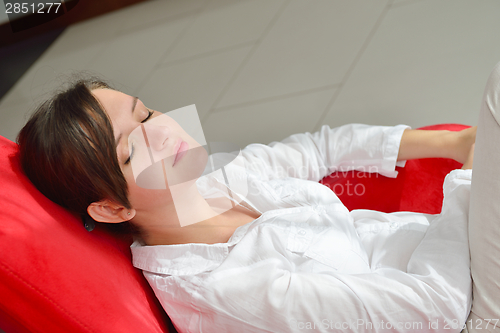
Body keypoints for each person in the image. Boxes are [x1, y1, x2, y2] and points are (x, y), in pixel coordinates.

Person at [17, 70, 479, 332]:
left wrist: (453, 147)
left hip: (443, 246)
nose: (164, 131)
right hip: (467, 307)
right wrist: (467, 185)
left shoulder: (215, 183)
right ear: (113, 208)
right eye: (131, 148)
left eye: (147, 113)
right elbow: (435, 308)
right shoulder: (223, 290)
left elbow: (319, 148)